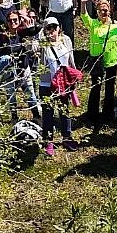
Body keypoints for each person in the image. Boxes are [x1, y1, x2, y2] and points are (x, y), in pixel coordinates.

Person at [79, 0, 117, 133]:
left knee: (110, 89)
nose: (103, 12)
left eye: (106, 10)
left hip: (112, 61)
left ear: (109, 10)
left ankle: (107, 115)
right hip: (97, 61)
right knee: (96, 87)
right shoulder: (93, 25)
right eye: (100, 10)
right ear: (97, 12)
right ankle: (92, 115)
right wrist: (83, 3)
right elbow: (83, 16)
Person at [39, 17, 78, 156]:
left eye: (54, 28)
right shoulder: (42, 44)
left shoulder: (66, 40)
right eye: (48, 28)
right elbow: (33, 49)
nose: (52, 31)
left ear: (59, 28)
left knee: (64, 110)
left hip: (64, 82)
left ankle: (67, 137)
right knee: (48, 112)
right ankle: (48, 141)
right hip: (47, 84)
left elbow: (71, 59)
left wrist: (74, 77)